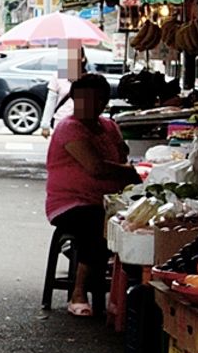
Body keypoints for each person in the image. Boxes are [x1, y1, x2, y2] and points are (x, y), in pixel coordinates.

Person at [45, 73, 141, 317]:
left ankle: (123, 291)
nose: (90, 105)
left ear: (104, 101)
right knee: (96, 224)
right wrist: (127, 172)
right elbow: (96, 167)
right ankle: (78, 292)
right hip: (71, 204)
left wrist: (124, 166)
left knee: (137, 224)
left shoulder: (109, 126)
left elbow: (120, 155)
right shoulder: (69, 128)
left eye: (97, 100)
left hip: (109, 200)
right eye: (83, 99)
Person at [40, 45, 87, 138]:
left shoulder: (88, 78)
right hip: (61, 122)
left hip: (82, 124)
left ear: (82, 58)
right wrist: (45, 125)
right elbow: (50, 101)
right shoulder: (57, 76)